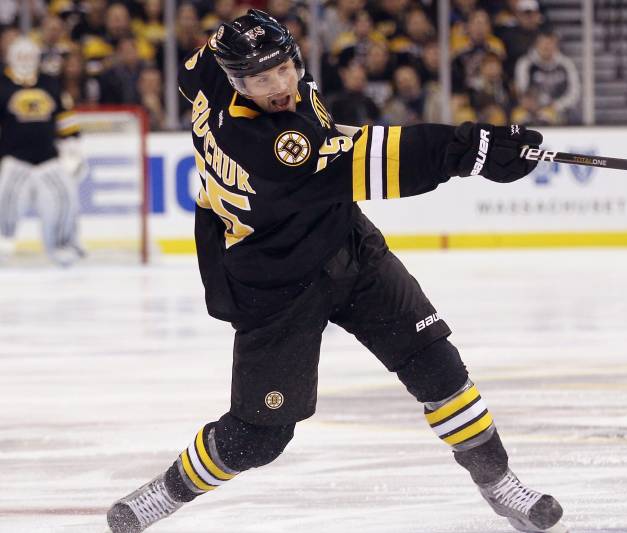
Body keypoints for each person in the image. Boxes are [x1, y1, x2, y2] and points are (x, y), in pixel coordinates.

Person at [105, 10, 568, 533]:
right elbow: (380, 160)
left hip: (345, 245)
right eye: (260, 79)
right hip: (275, 281)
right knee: (260, 436)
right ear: (236, 81)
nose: (278, 85)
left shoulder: (209, 65)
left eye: (282, 68)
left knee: (437, 363)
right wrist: (475, 149)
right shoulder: (272, 145)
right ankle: (166, 492)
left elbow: (215, 72)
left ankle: (498, 483)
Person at [0, 36, 85, 266]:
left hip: (49, 159)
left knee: (65, 200)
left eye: (29, 56)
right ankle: (3, 243)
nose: (25, 60)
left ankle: (63, 245)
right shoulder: (2, 84)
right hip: (13, 160)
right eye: (21, 56)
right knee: (4, 202)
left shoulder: (50, 83)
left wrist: (73, 148)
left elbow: (66, 118)